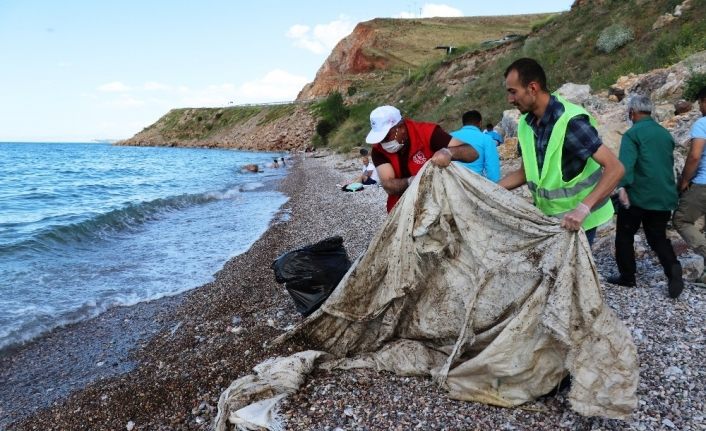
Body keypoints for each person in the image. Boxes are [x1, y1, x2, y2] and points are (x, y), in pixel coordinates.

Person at [498, 58, 624, 246]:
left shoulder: (570, 122)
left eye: (513, 92)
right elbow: (524, 173)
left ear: (532, 88)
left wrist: (583, 209)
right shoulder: (525, 124)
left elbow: (615, 168)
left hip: (579, 222)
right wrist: (488, 189)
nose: (510, 99)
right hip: (551, 221)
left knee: (573, 274)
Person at [607, 95, 684, 298]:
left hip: (638, 195)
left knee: (625, 236)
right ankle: (673, 269)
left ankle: (627, 277)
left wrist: (622, 188)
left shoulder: (632, 135)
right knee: (657, 237)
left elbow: (626, 165)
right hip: (664, 196)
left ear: (632, 112)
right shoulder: (665, 134)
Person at [365, 105, 478, 212]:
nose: (383, 142)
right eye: (380, 139)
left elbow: (472, 152)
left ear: (401, 127)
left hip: (439, 201)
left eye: (386, 137)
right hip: (401, 207)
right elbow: (388, 184)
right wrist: (410, 182)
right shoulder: (378, 150)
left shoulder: (428, 133)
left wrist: (449, 152)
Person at [673, 86, 706, 285]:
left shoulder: (702, 123)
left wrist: (684, 180)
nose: (700, 108)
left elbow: (694, 156)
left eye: (701, 103)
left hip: (703, 184)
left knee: (681, 220)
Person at [451, 111, 501, 182]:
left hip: (451, 183)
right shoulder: (486, 139)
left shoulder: (449, 136)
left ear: (463, 124)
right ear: (480, 123)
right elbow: (493, 172)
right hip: (474, 184)